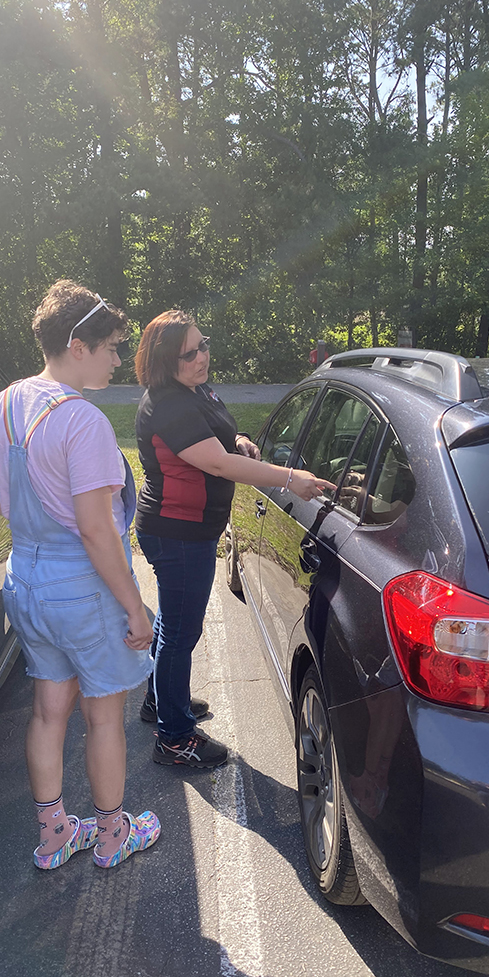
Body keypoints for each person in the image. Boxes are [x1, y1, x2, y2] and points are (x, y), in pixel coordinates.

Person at [0, 280, 160, 870]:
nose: (117, 359)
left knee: (47, 710)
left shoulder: (2, 405)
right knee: (103, 715)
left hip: (26, 581)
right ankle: (112, 834)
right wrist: (134, 608)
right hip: (84, 589)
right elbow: (96, 532)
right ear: (78, 346)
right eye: (111, 347)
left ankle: (54, 835)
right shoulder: (83, 421)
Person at [134, 311, 335, 768]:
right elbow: (218, 464)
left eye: (203, 345)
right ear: (165, 361)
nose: (202, 357)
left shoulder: (194, 390)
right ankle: (174, 738)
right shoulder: (169, 404)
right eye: (189, 354)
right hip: (178, 533)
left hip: (188, 530)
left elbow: (221, 438)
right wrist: (290, 478)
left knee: (172, 624)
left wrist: (239, 438)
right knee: (181, 632)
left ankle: (162, 701)